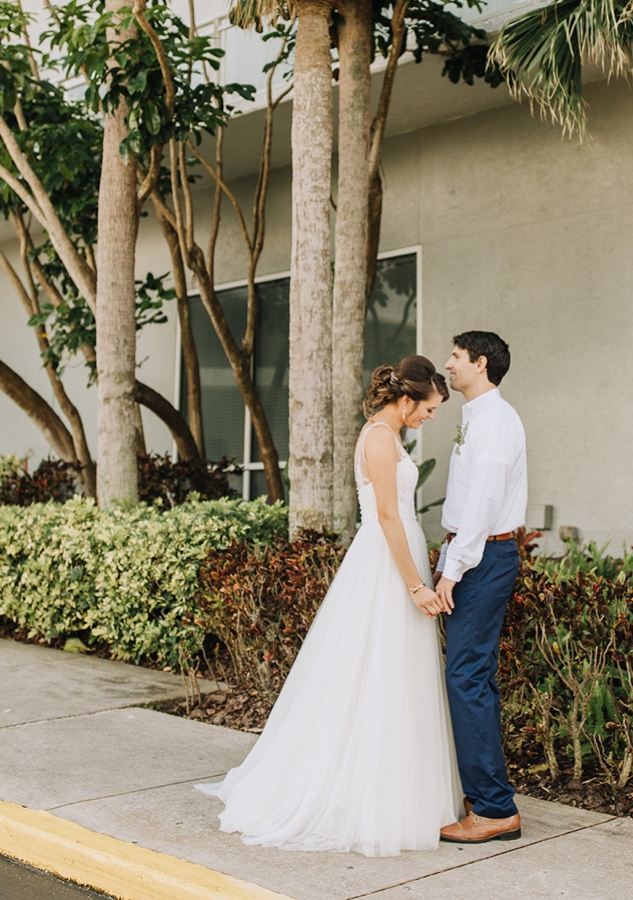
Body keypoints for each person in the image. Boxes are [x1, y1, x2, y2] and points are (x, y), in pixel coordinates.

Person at [198, 355, 462, 857]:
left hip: (397, 560)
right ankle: (366, 798)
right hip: (389, 567)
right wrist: (414, 586)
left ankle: (393, 789)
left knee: (388, 676)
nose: (430, 418)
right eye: (428, 409)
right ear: (407, 400)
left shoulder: (389, 434)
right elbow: (386, 516)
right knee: (377, 673)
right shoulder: (381, 439)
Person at [434, 331, 527, 844]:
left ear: (480, 363)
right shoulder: (476, 418)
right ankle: (485, 796)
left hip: (482, 557)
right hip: (473, 553)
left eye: (456, 357)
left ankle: (494, 808)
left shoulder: (495, 421)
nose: (448, 364)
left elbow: (484, 505)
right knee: (474, 675)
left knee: (465, 677)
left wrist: (454, 569)